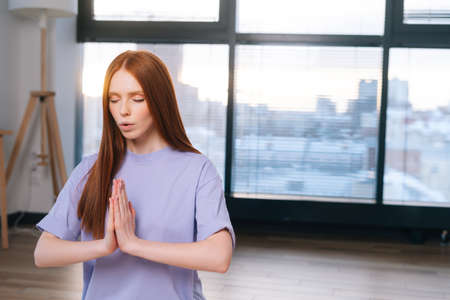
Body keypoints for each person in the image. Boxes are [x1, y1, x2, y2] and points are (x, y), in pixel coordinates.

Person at [33, 50, 236, 300]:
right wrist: (105, 246)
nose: (123, 111)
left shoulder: (197, 170)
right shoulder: (90, 169)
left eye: (137, 98)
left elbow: (219, 257)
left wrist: (134, 244)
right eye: (114, 99)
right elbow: (43, 252)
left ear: (160, 101)